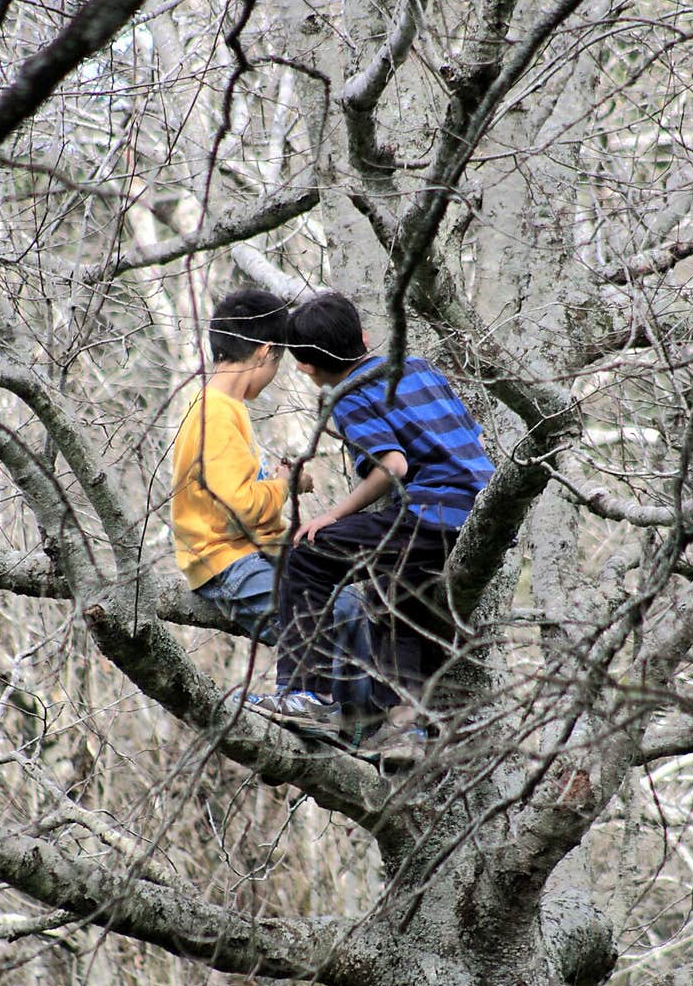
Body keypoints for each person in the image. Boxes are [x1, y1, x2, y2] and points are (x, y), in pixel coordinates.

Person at [252, 290, 495, 763]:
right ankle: (407, 730)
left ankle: (306, 694)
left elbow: (392, 466)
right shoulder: (420, 367)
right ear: (364, 337)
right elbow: (469, 436)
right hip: (478, 512)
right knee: (393, 594)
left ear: (305, 367)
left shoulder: (349, 394)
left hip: (430, 512)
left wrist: (332, 515)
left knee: (308, 555)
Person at [170, 287, 373, 711]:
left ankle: (345, 718)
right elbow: (238, 509)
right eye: (279, 360)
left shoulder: (227, 406)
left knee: (354, 601)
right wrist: (283, 483)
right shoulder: (216, 412)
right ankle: (330, 713)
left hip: (252, 553)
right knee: (335, 612)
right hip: (228, 562)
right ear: (265, 352)